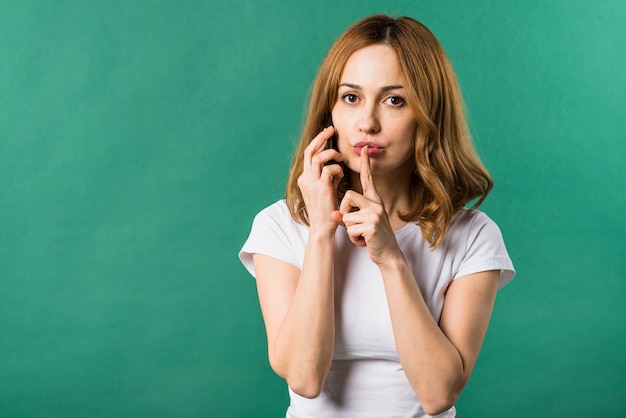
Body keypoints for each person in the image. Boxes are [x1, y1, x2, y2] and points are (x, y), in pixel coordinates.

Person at [239, 14, 514, 418]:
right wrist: (320, 233)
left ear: (428, 113)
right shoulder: (279, 226)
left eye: (394, 100)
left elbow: (439, 394)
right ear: (329, 111)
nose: (367, 122)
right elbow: (303, 378)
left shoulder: (472, 236)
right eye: (351, 98)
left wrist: (390, 258)